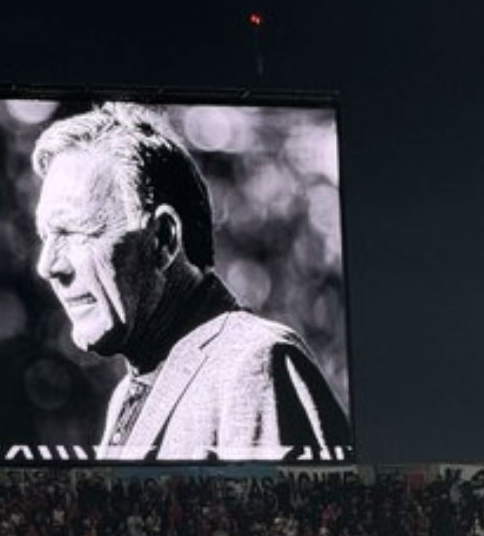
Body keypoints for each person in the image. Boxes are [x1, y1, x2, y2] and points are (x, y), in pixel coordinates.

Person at [31, 102, 350, 460]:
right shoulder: (129, 392)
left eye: (73, 232)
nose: (48, 266)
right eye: (46, 236)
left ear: (164, 239)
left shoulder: (252, 364)